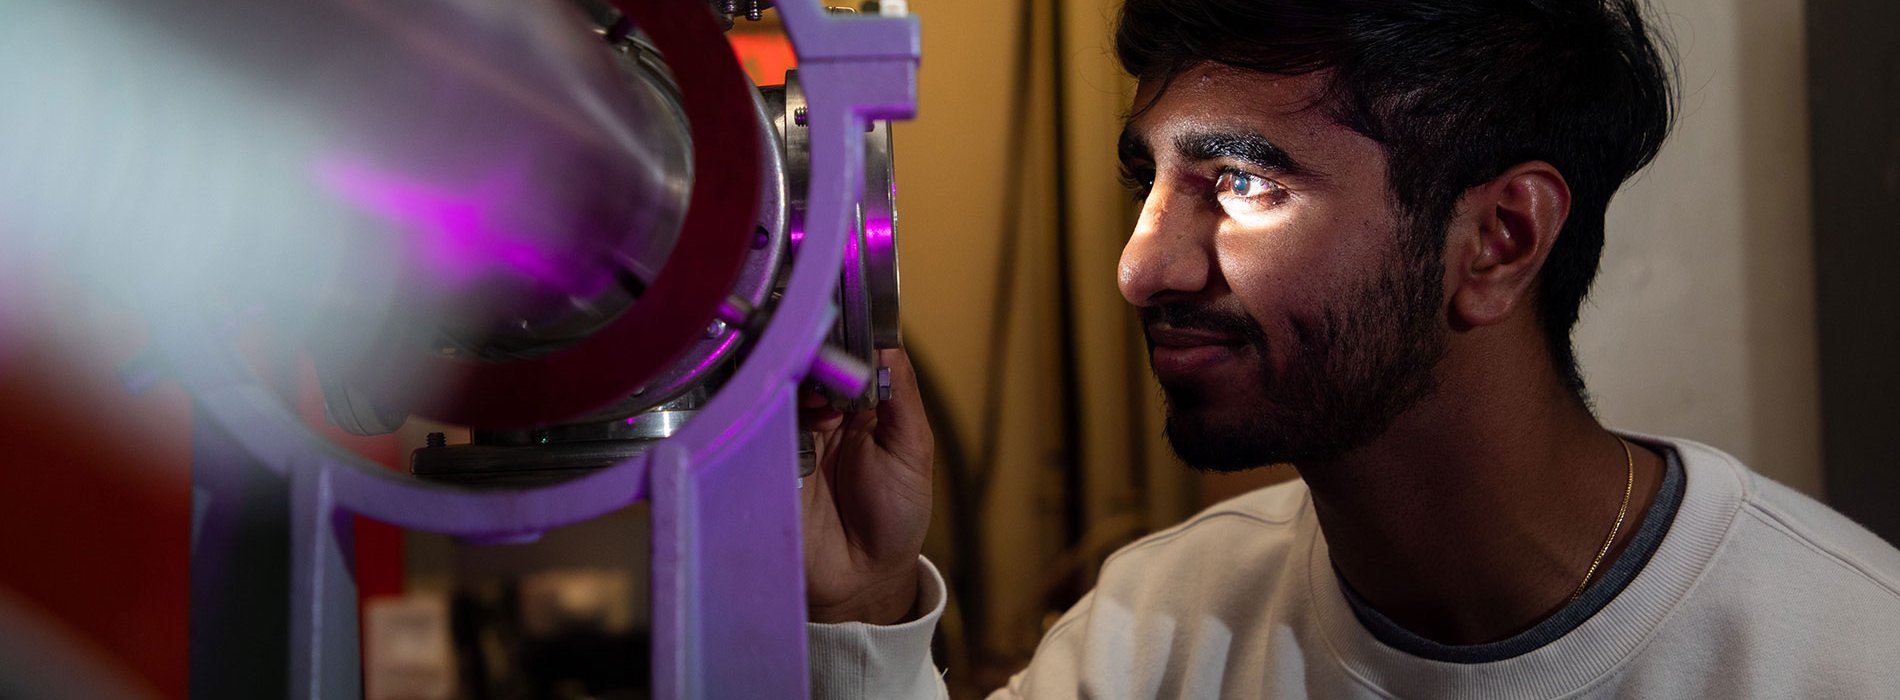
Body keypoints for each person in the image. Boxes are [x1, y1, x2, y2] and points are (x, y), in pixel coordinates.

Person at [799, 0, 1900, 697]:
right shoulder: (1150, 632)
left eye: (1243, 184)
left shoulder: (1844, 653)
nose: (1142, 268)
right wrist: (859, 609)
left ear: (1499, 238)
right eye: (1152, 182)